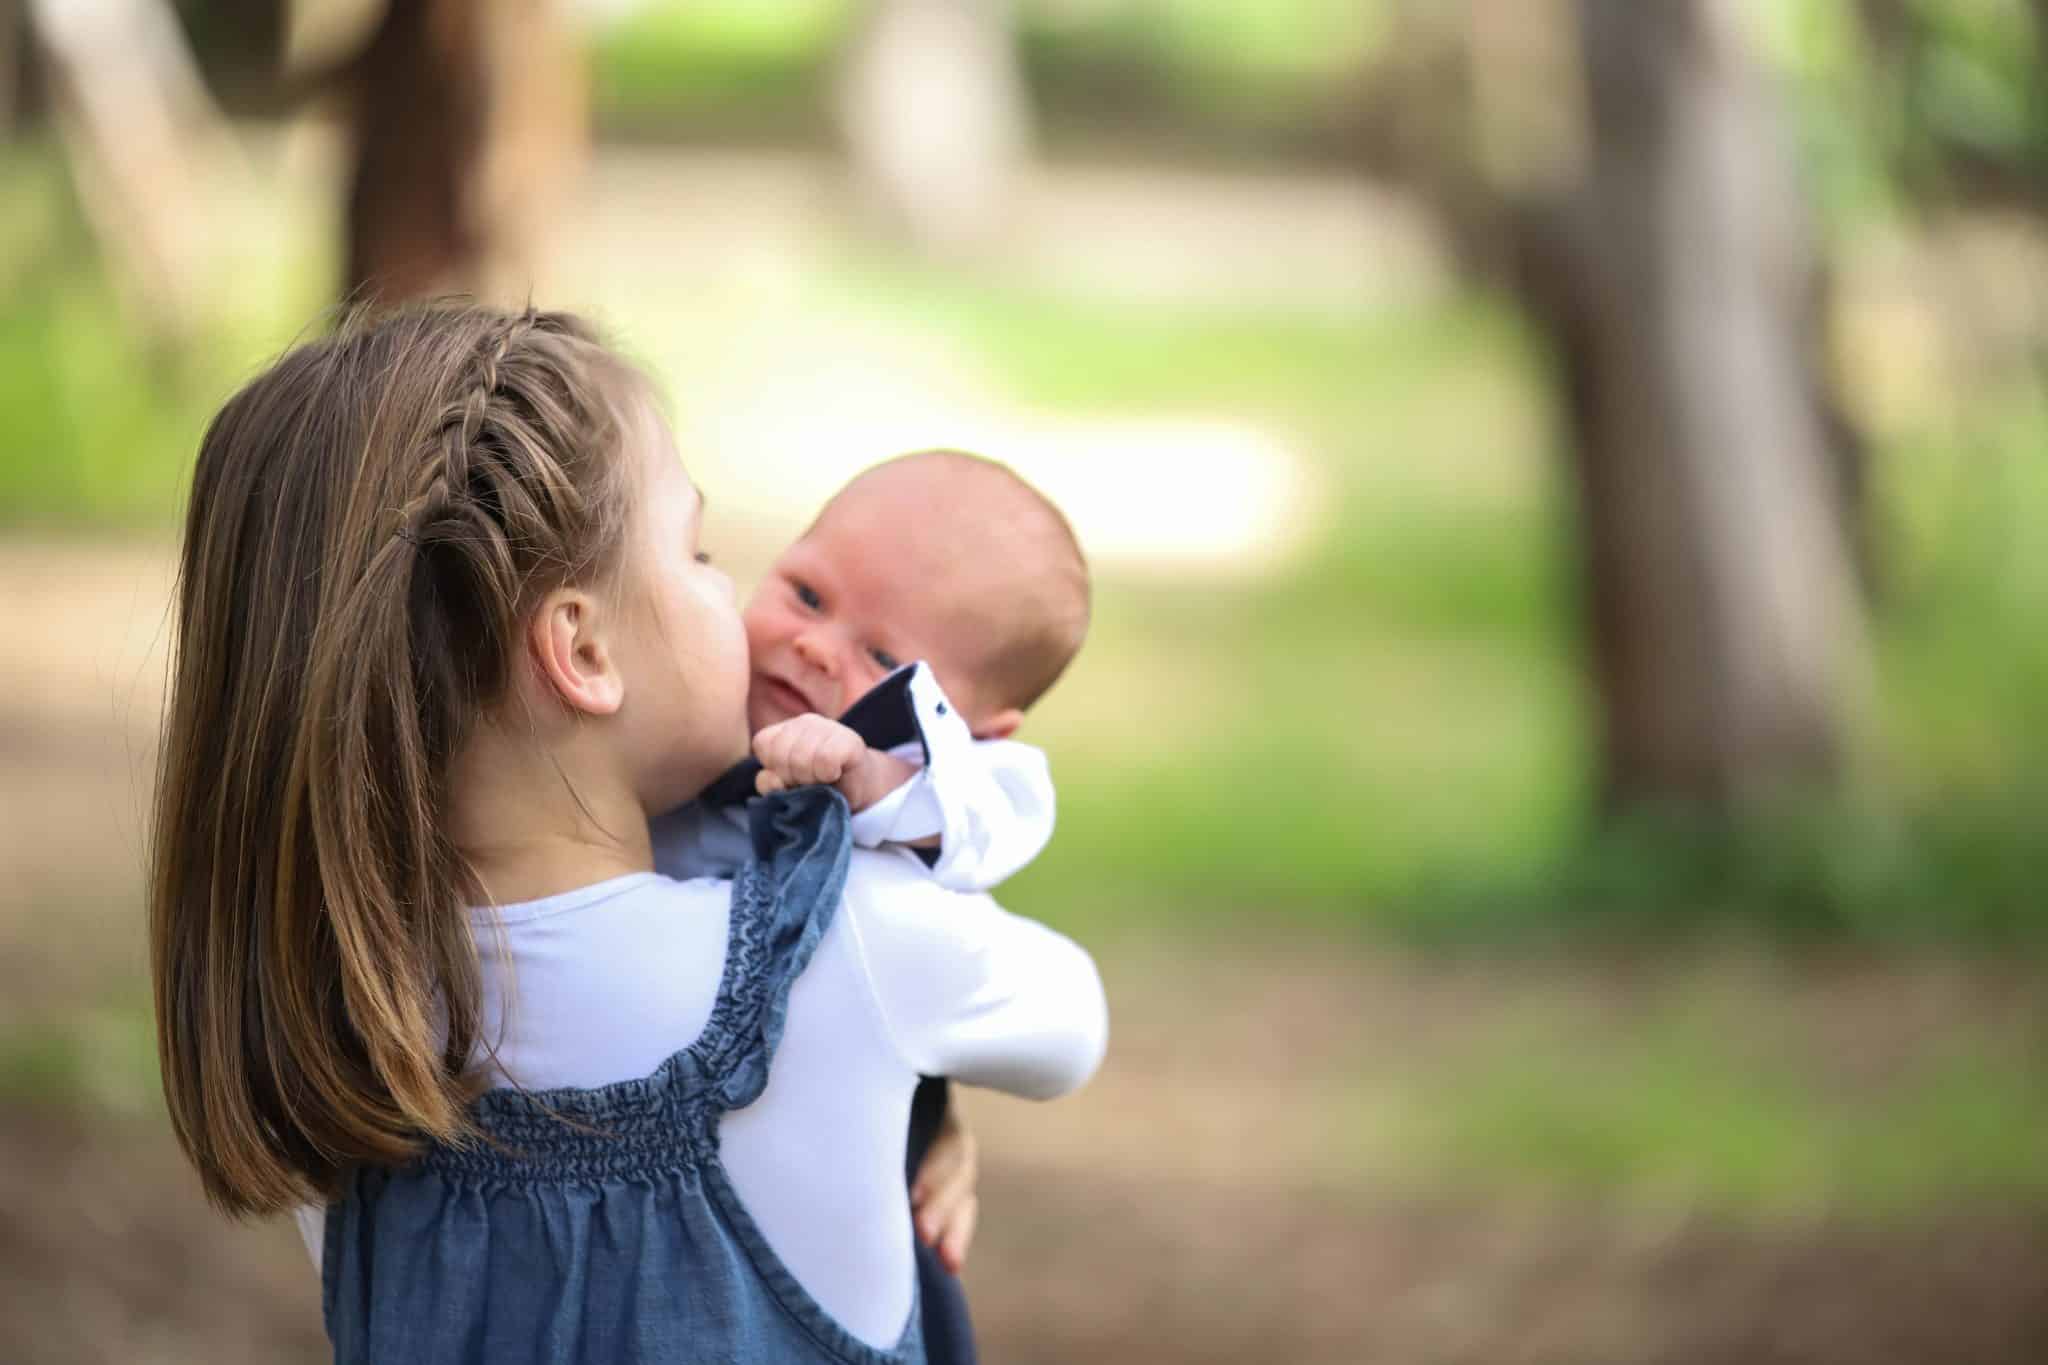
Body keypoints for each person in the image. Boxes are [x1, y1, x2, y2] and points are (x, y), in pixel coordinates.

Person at [148, 303, 1108, 1363]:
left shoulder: (332, 1019)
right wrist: (915, 1081)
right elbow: (1069, 1025)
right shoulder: (849, 949)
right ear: (582, 651)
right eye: (698, 551)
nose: (752, 604)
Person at [653, 448, 1092, 1365]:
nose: (815, 646)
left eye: (884, 657)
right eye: (808, 593)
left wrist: (876, 777)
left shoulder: (952, 789)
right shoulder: (697, 703)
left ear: (976, 729)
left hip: (859, 1197)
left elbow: (990, 818)